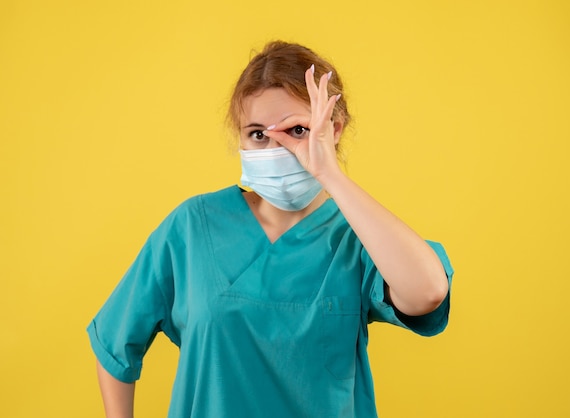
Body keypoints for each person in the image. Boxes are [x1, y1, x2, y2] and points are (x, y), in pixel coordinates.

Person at [87, 41, 454, 418]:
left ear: (334, 129)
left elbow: (427, 292)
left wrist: (330, 174)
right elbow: (115, 340)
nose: (278, 148)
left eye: (296, 130)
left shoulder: (359, 239)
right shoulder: (194, 227)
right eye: (259, 135)